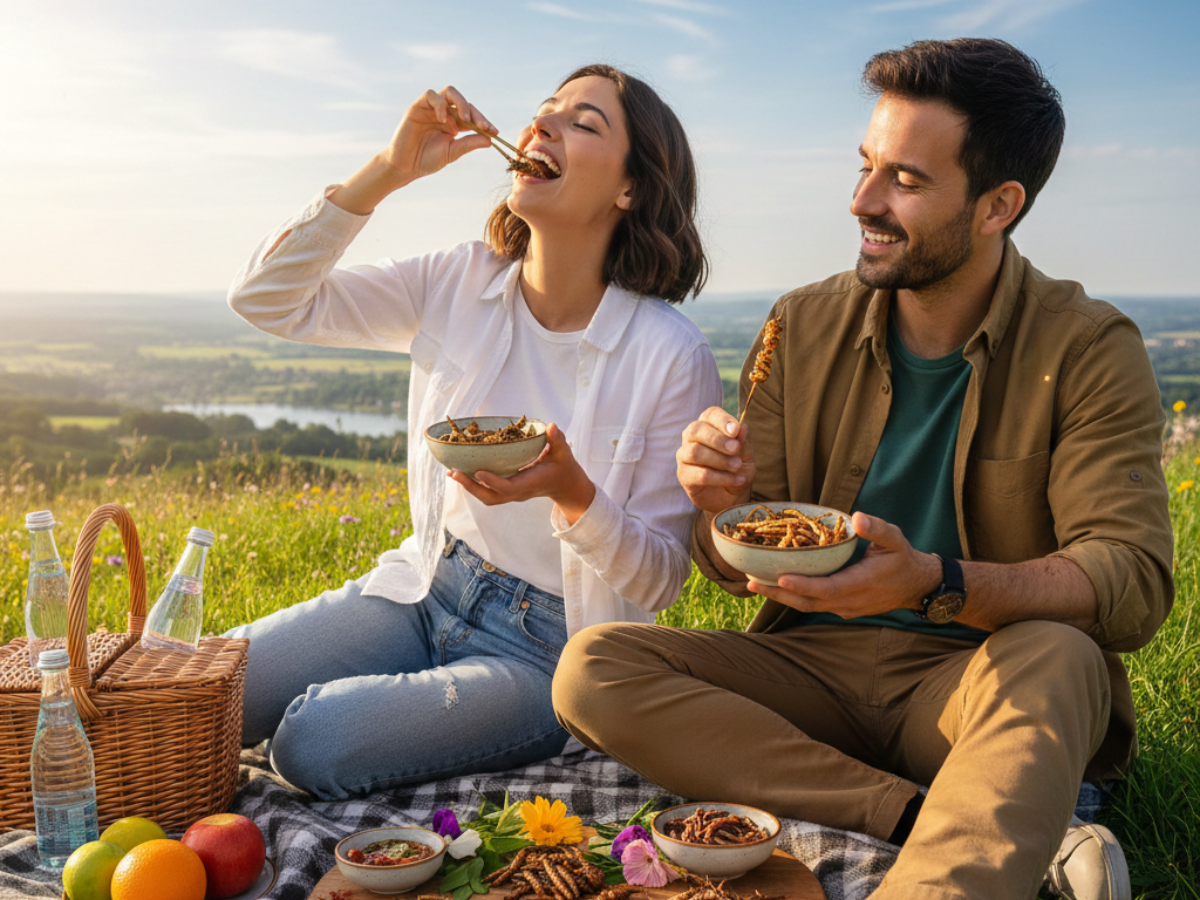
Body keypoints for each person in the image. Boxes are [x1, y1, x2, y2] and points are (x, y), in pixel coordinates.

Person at [552, 39, 1171, 900]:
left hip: (972, 686)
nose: (862, 202)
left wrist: (931, 581)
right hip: (810, 676)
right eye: (865, 167)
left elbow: (1132, 580)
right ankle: (923, 817)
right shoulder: (802, 324)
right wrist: (721, 507)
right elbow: (735, 566)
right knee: (594, 667)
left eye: (905, 182)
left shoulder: (1088, 347)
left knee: (1061, 657)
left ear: (998, 205)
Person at [225, 64, 722, 800]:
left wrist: (572, 493)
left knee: (311, 741)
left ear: (632, 189)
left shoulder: (670, 353)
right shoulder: (458, 282)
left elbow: (661, 578)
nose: (542, 125)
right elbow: (266, 298)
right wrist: (390, 170)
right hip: (429, 586)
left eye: (583, 123)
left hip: (549, 652)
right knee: (208, 683)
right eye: (544, 111)